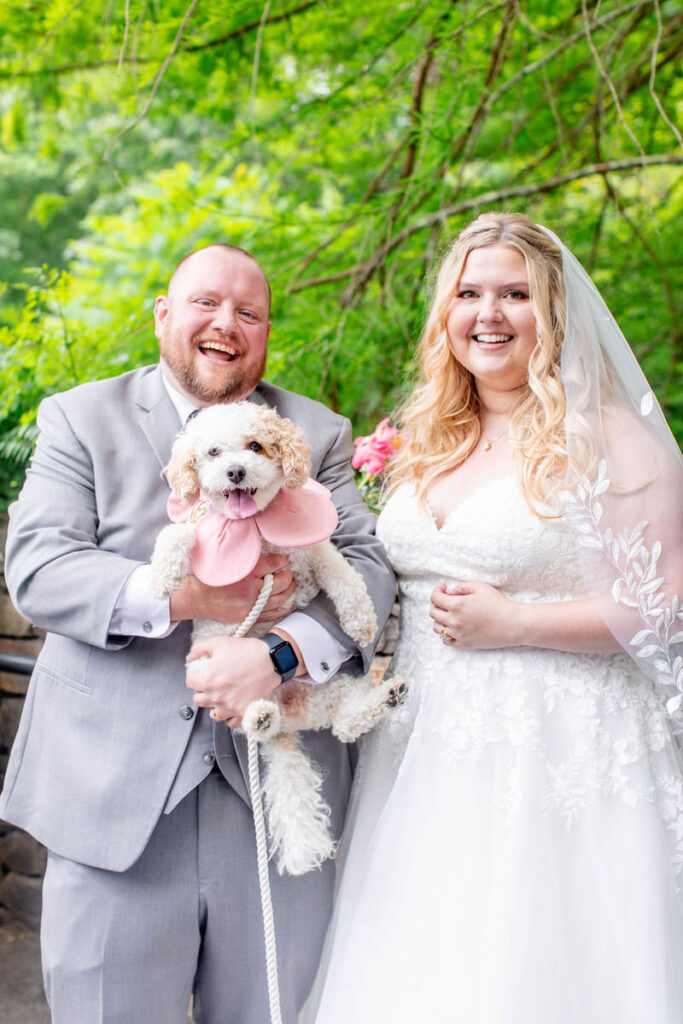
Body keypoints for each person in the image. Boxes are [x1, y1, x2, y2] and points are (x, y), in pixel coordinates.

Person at [0, 243, 395, 1024]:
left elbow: (366, 566)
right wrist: (183, 596)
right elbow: (40, 566)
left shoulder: (313, 431)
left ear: (266, 332)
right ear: (163, 315)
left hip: (280, 800)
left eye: (249, 313)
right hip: (114, 794)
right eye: (206, 304)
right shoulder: (79, 416)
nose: (226, 325)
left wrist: (278, 652)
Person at [303, 213, 683, 1023]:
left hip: (559, 751)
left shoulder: (610, 438)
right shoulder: (431, 440)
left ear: (554, 312)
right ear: (444, 314)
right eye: (469, 293)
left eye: (515, 294)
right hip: (420, 753)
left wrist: (517, 623)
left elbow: (663, 611)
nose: (489, 313)